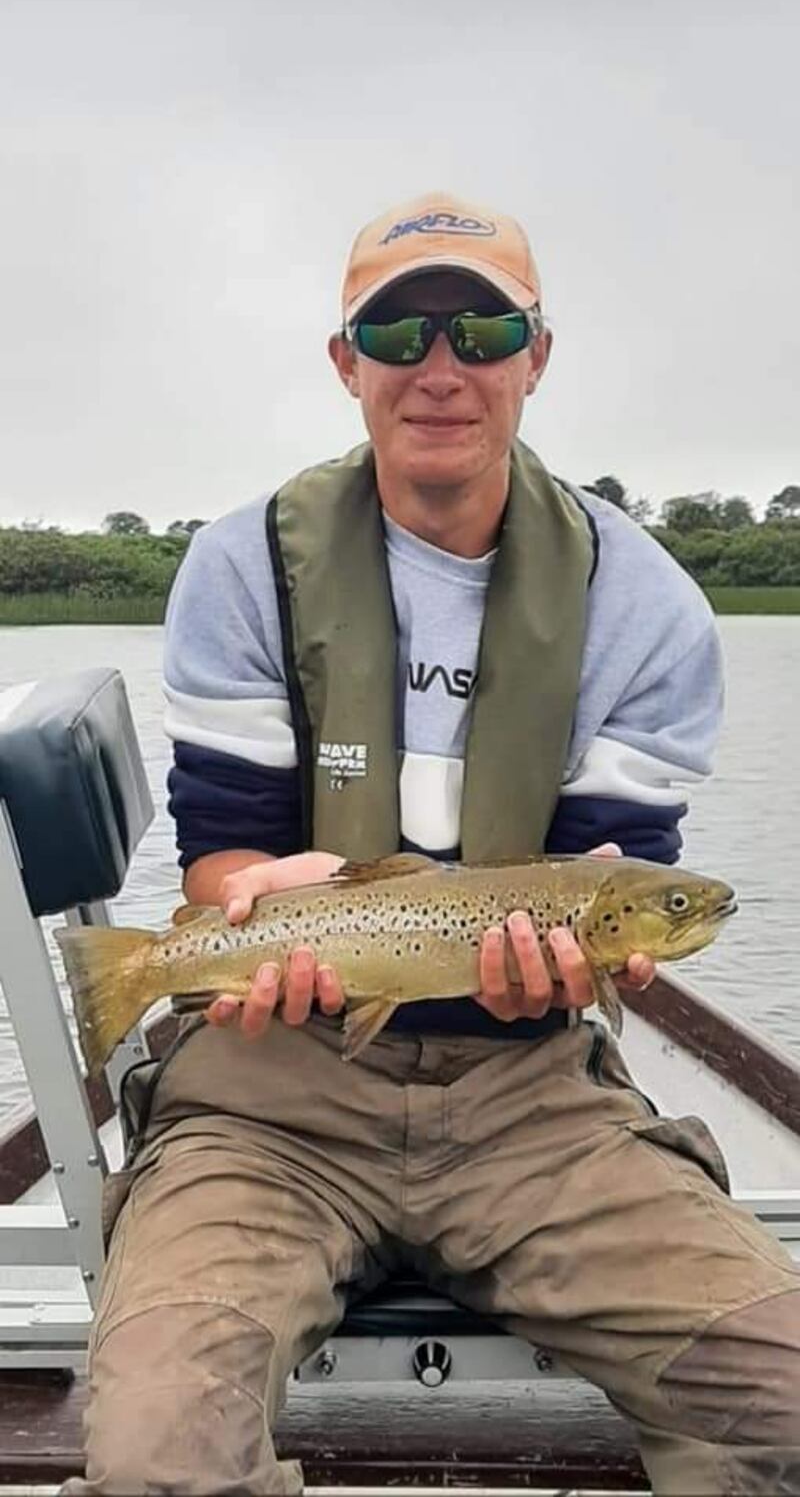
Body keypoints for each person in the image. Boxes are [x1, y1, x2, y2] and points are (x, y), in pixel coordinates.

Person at [67, 192, 800, 1496]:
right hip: (267, 1100)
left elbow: (617, 871)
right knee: (154, 1458)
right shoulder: (244, 568)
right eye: (399, 335)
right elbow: (223, 860)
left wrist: (579, 969)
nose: (442, 366)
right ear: (347, 363)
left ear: (537, 354)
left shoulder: (649, 607)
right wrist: (255, 901)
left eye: (483, 327)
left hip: (537, 1111)